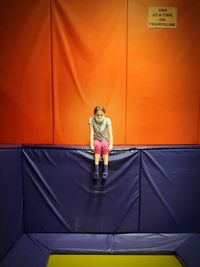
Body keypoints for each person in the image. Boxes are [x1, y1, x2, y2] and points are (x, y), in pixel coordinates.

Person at [88, 106, 113, 181]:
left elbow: (110, 133)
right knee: (97, 146)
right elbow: (91, 133)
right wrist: (91, 144)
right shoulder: (91, 120)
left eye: (101, 115)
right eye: (97, 115)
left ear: (104, 115)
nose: (99, 117)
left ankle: (105, 170)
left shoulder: (107, 120)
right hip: (96, 139)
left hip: (104, 139)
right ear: (94, 115)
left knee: (105, 146)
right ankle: (96, 170)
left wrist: (111, 144)